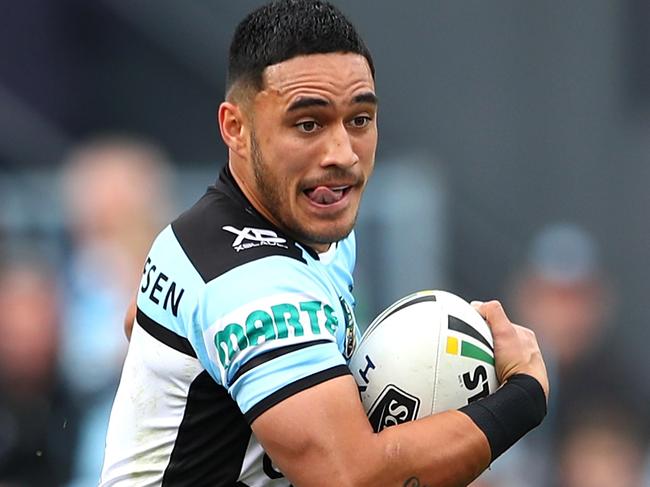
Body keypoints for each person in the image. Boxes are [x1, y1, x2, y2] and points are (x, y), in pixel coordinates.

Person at [100, 1, 549, 486]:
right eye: (308, 124)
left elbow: (139, 321)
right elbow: (352, 478)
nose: (342, 154)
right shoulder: (250, 286)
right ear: (237, 128)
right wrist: (525, 393)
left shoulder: (284, 231)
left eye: (359, 120)